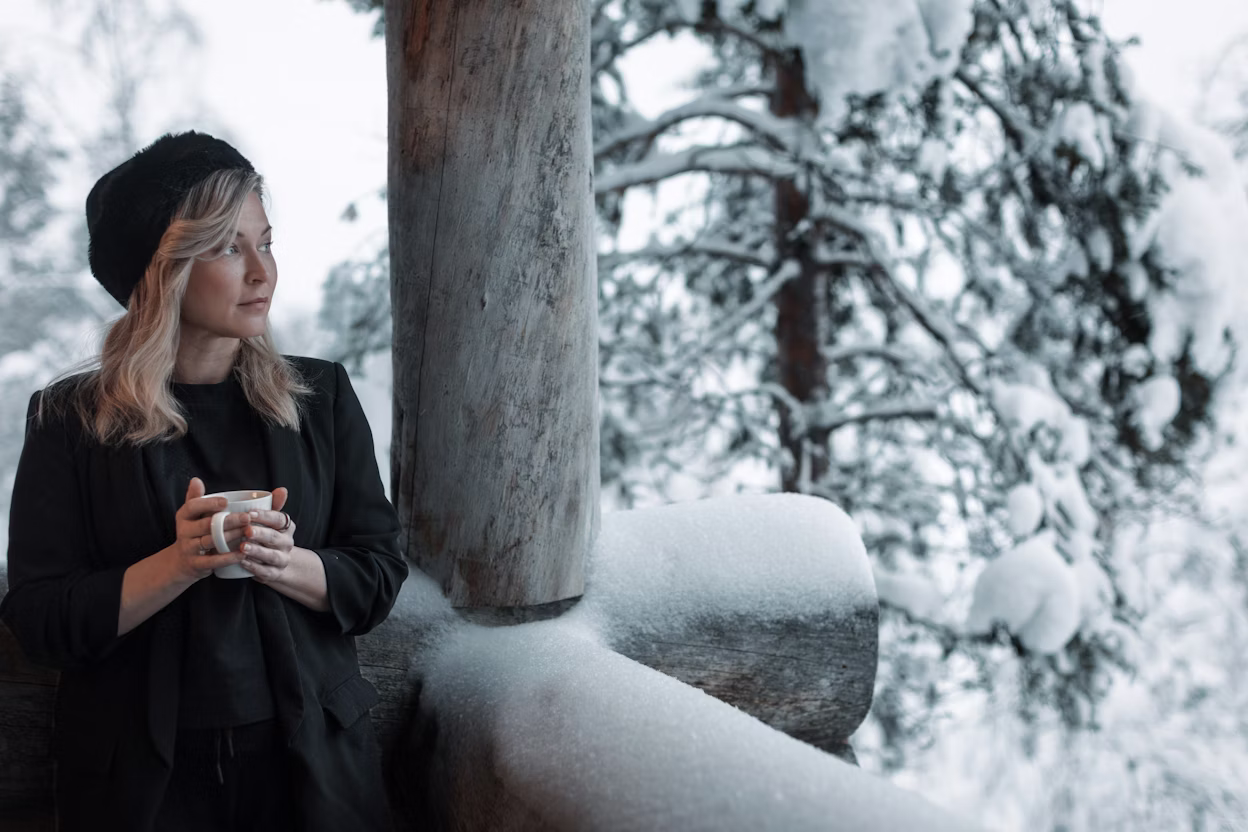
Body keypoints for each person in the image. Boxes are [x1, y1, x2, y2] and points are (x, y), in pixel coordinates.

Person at [0, 131, 409, 832]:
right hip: (138, 787)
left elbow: (377, 573)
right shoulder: (69, 420)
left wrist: (289, 563)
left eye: (266, 241)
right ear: (161, 272)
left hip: (312, 768)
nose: (263, 272)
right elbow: (40, 619)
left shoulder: (323, 397)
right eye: (227, 247)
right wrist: (179, 564)